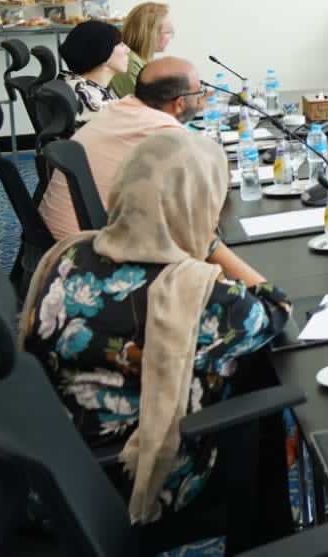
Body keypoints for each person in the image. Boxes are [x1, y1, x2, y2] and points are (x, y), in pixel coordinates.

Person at [21, 130, 291, 532]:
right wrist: (210, 244)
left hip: (58, 464)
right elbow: (276, 308)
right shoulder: (198, 295)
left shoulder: (70, 253)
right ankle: (267, 533)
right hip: (136, 477)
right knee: (258, 383)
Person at [38, 56, 206, 240]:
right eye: (199, 92)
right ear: (180, 103)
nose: (201, 98)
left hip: (55, 234)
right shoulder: (164, 131)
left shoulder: (120, 108)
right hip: (85, 246)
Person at [59, 19, 130, 126]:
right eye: (121, 44)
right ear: (104, 53)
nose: (128, 50)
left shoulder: (76, 84)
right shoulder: (91, 100)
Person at [111, 1, 175, 97]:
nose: (172, 37)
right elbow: (142, 102)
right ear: (151, 34)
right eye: (168, 32)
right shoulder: (129, 62)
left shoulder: (143, 58)